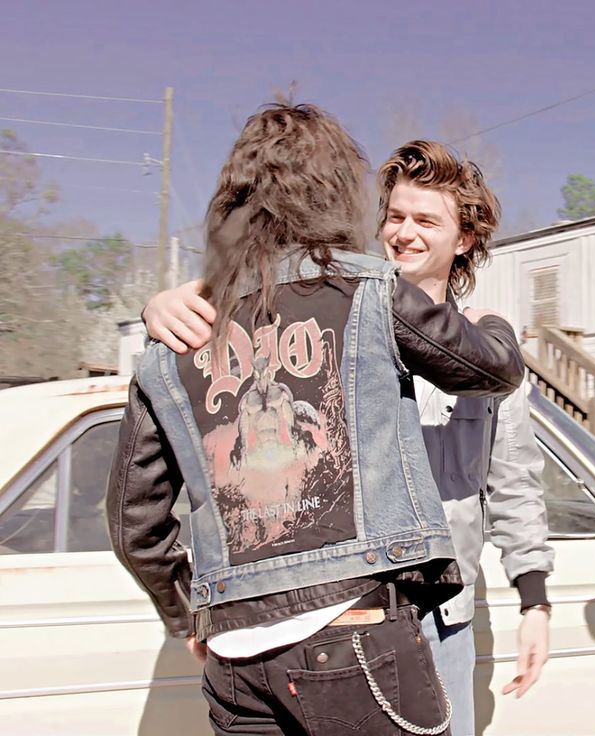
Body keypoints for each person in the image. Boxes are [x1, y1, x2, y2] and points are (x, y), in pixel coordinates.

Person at [108, 103, 525, 736]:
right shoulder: (371, 291)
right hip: (355, 639)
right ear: (334, 193)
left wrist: (187, 607)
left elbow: (133, 523)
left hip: (234, 664)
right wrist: (493, 323)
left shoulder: (173, 339)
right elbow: (493, 370)